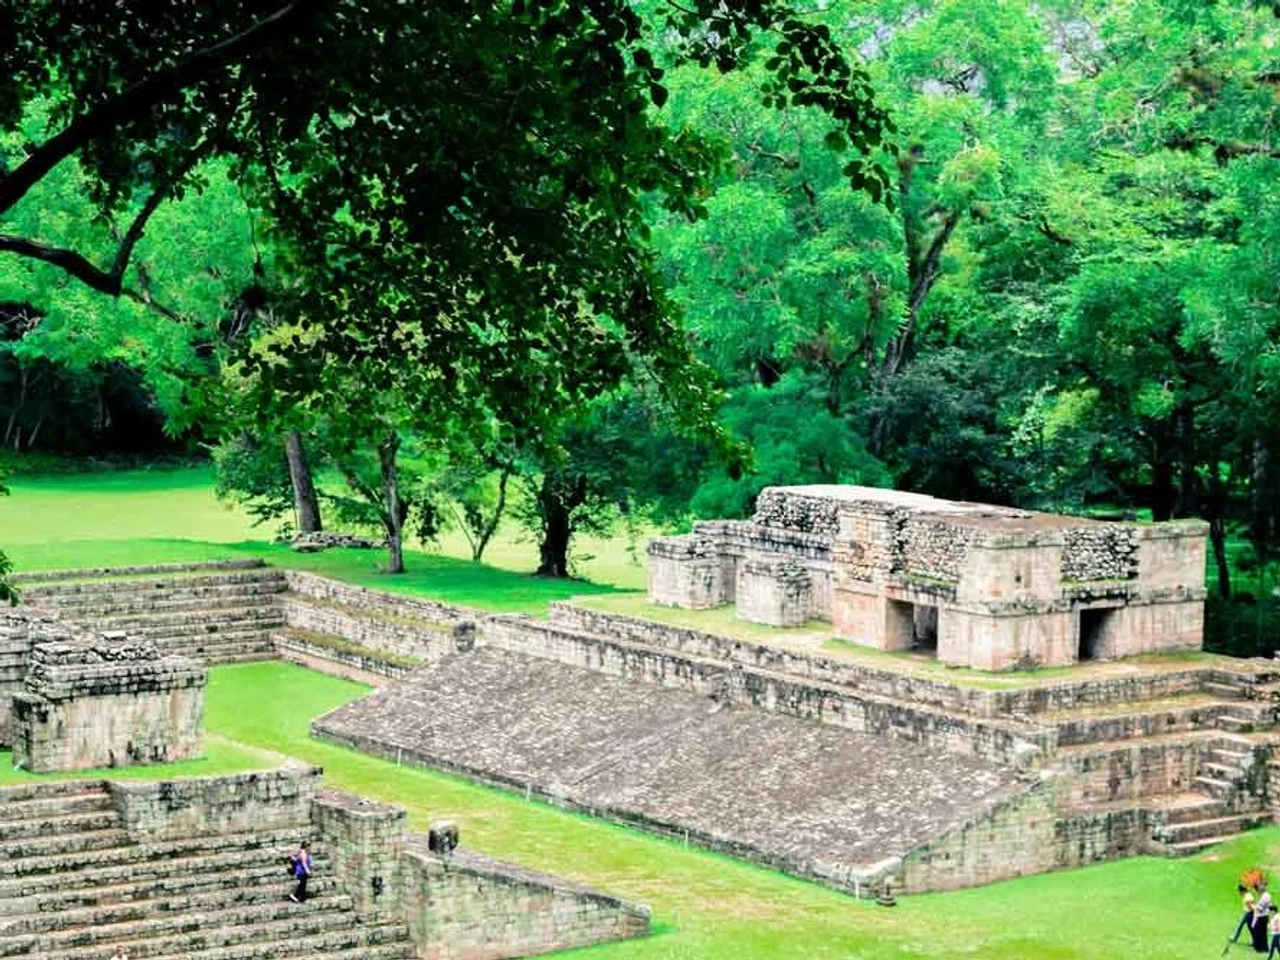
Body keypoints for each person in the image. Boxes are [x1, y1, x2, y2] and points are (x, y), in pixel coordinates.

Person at [1253, 883, 1274, 953]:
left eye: (1259, 890)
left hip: (1261, 917)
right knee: (1263, 933)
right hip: (1265, 916)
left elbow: (1260, 908)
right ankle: (1265, 948)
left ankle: (1259, 948)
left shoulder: (1264, 897)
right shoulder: (1267, 895)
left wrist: (1255, 905)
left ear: (1261, 890)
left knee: (1257, 932)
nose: (1258, 891)